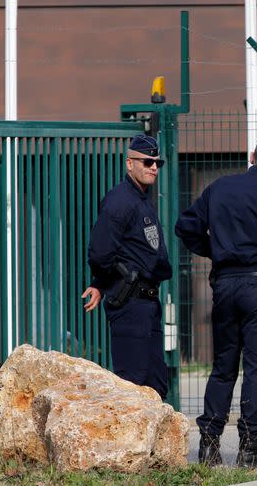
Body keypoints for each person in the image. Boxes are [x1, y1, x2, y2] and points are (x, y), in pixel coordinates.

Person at [175, 132, 257, 468]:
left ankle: (209, 444)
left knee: (223, 368)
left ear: (253, 156)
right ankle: (250, 447)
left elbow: (185, 227)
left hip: (224, 286)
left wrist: (215, 251)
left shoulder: (219, 187)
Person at [81, 133, 172, 400]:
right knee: (132, 382)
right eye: (147, 162)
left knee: (155, 382)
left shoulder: (142, 198)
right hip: (130, 301)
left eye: (157, 162)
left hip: (147, 302)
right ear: (129, 163)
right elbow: (100, 252)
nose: (153, 167)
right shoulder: (121, 200)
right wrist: (102, 281)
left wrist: (100, 282)